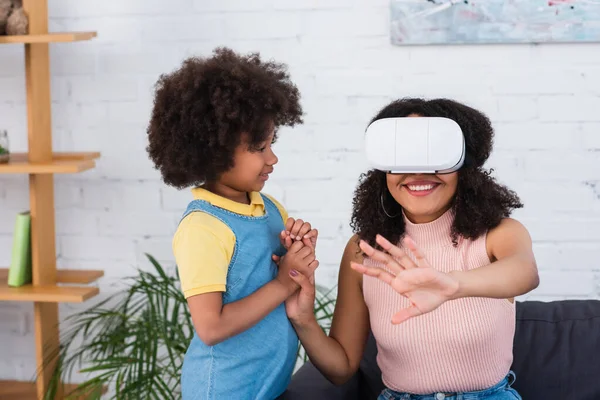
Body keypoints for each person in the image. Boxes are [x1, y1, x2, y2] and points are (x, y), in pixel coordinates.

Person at [285, 98, 539, 400]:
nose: (418, 173)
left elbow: (525, 272)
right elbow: (340, 369)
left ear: (464, 166)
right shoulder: (363, 250)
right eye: (404, 156)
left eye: (434, 155)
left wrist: (453, 285)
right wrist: (303, 318)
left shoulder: (499, 234)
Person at [146, 47, 319, 400]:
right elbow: (210, 327)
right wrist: (285, 283)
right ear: (214, 148)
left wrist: (296, 253)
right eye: (258, 147)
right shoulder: (203, 228)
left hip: (268, 387)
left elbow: (278, 276)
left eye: (272, 143)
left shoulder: (270, 208)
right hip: (224, 390)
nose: (272, 158)